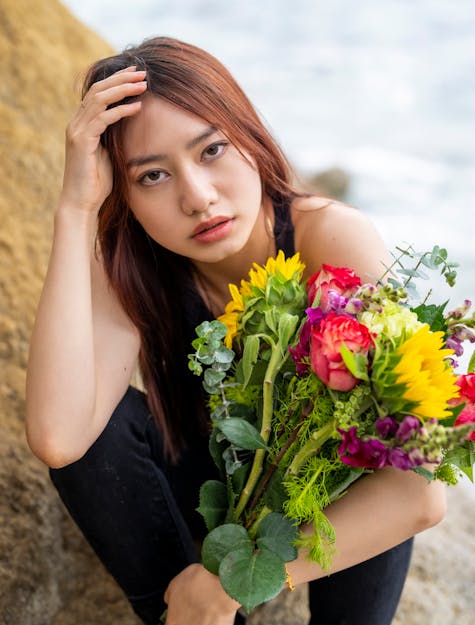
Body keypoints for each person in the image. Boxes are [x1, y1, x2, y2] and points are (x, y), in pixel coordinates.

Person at [25, 37, 446, 625]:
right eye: (151, 176)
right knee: (103, 430)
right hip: (214, 490)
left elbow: (419, 491)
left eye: (213, 149)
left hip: (322, 505)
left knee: (369, 453)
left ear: (249, 136)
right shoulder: (135, 263)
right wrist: (75, 210)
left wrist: (234, 581)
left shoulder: (330, 240)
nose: (198, 197)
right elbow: (60, 437)